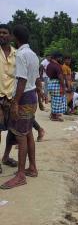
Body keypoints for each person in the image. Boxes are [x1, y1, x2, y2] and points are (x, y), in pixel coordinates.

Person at [1, 25, 40, 189]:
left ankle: (21, 175)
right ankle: (32, 168)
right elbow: (37, 78)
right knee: (28, 132)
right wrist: (42, 95)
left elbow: (22, 81)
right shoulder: (33, 55)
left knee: (21, 136)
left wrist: (15, 102)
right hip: (32, 97)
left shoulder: (21, 55)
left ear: (15, 38)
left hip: (23, 97)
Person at [0, 24, 17, 173]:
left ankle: (5, 156)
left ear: (11, 36)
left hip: (11, 97)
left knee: (12, 130)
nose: (1, 35)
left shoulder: (17, 54)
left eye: (4, 33)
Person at [46, 52, 66, 121]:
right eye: (60, 58)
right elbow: (60, 77)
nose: (61, 59)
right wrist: (63, 87)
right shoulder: (57, 66)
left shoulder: (49, 65)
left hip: (51, 83)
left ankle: (53, 114)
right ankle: (54, 116)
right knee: (58, 99)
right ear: (57, 58)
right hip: (56, 83)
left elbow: (47, 74)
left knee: (54, 99)